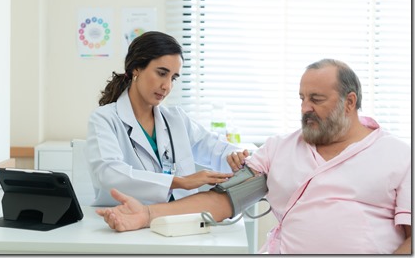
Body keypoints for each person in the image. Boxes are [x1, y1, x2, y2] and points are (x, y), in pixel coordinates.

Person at [95, 59, 411, 254]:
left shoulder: (398, 156)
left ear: (349, 102)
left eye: (316, 99)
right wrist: (148, 215)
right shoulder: (280, 149)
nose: (304, 109)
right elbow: (222, 200)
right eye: (301, 98)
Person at [85, 31, 248, 206]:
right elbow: (109, 173)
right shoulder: (104, 119)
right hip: (128, 223)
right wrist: (180, 182)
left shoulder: (176, 119)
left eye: (173, 78)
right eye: (162, 73)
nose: (167, 86)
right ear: (136, 69)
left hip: (179, 218)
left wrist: (234, 157)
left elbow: (213, 147)